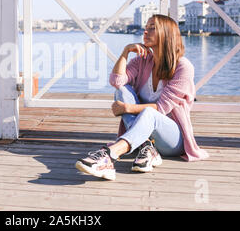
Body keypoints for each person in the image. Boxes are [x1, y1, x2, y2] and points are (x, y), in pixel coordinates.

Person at [75, 14, 209, 181]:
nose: (145, 31)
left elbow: (161, 108)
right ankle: (146, 146)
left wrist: (127, 108)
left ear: (166, 34)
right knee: (123, 91)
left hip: (173, 140)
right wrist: (126, 51)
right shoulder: (143, 61)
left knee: (150, 113)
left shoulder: (183, 67)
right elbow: (116, 81)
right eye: (146, 27)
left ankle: (109, 155)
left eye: (152, 27)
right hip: (147, 134)